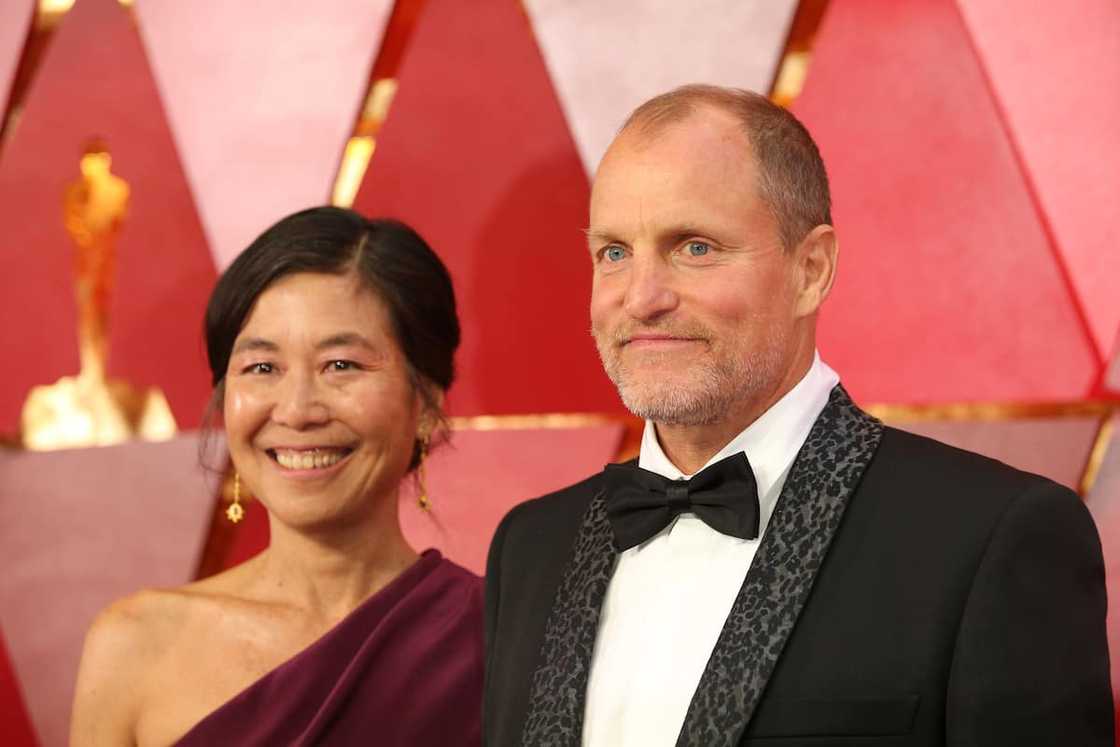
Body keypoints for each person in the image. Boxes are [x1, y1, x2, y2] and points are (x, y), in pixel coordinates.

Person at [483, 85, 1113, 746]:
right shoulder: (529, 547)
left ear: (811, 269)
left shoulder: (991, 538)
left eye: (694, 247)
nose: (641, 297)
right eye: (614, 252)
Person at [70, 207, 483, 745]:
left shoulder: (501, 641)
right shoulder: (134, 645)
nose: (296, 410)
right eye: (262, 368)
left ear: (426, 402)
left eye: (342, 365)